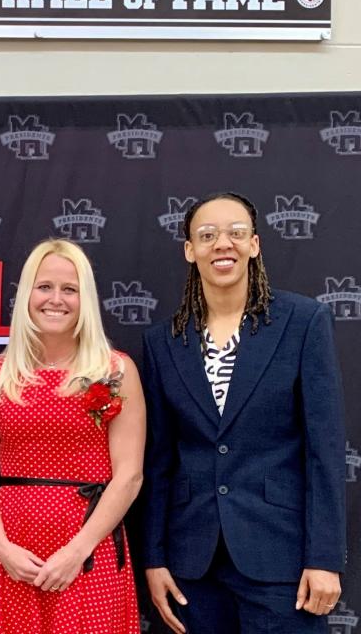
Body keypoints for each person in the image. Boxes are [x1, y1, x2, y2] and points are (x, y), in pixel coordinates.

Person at [141, 191, 345, 634]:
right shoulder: (162, 343)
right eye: (208, 235)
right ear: (190, 251)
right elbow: (158, 462)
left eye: (236, 233)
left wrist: (325, 558)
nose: (223, 244)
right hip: (190, 565)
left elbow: (324, 451)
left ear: (254, 244)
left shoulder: (303, 322)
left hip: (281, 562)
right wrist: (154, 558)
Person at [0, 238, 144, 634]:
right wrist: (0, 546)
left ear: (86, 298)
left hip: (88, 549)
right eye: (44, 286)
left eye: (70, 289)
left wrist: (77, 551)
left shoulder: (115, 371)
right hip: (11, 550)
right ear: (27, 293)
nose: (56, 299)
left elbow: (129, 475)